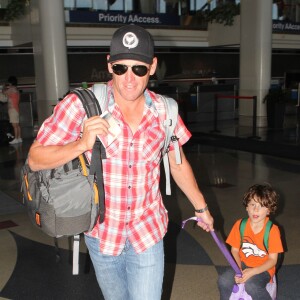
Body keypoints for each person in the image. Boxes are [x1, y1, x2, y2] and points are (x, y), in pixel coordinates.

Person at [28, 24, 214, 300]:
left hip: (147, 232)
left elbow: (177, 163)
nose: (129, 78)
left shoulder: (166, 111)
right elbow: (35, 159)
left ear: (152, 67)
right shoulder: (81, 105)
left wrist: (201, 208)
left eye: (138, 69)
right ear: (109, 64)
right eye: (120, 68)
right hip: (102, 234)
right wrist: (80, 144)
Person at [218, 183, 284, 300]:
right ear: (246, 206)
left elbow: (273, 260)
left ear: (269, 210)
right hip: (243, 263)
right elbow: (234, 250)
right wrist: (238, 269)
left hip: (264, 268)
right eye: (252, 204)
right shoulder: (240, 225)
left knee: (252, 286)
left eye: (261, 206)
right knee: (223, 281)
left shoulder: (272, 230)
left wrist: (253, 271)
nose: (255, 209)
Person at [2, 76, 22, 144]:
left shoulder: (11, 89)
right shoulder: (16, 89)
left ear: (10, 82)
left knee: (14, 125)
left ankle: (16, 139)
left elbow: (4, 92)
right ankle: (19, 138)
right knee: (17, 125)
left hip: (12, 109)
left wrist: (4, 87)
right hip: (16, 108)